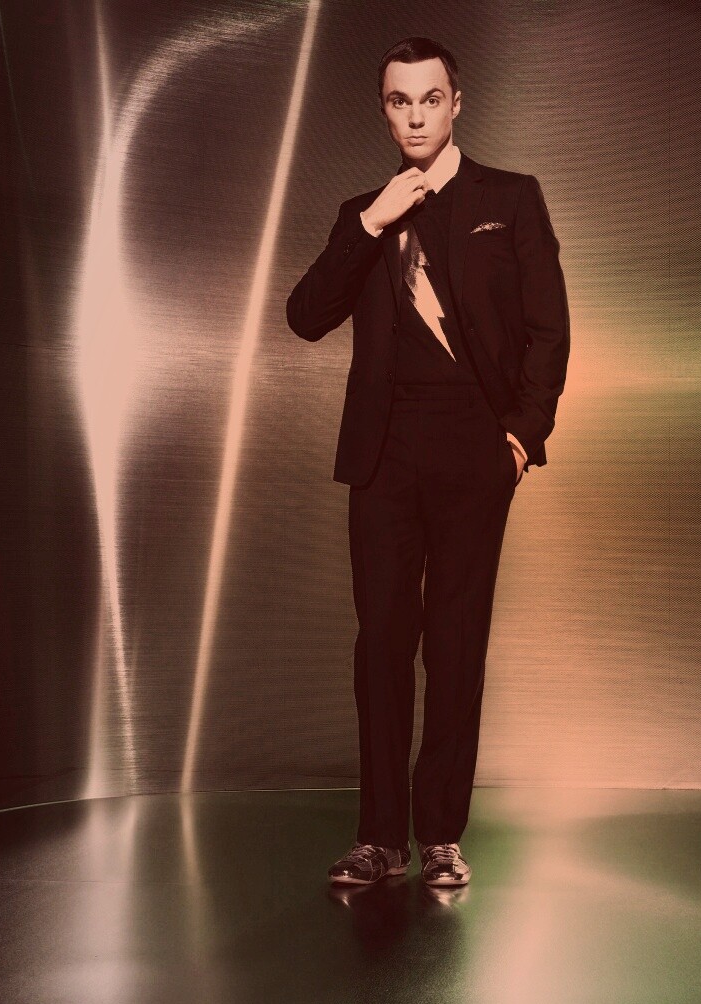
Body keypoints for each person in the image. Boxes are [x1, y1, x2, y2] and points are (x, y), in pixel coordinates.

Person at [286, 36, 569, 887]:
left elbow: (549, 328)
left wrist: (520, 436)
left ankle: (441, 832)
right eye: (399, 101)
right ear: (384, 112)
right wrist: (372, 224)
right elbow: (305, 315)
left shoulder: (509, 199)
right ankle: (380, 838)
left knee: (455, 641)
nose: (415, 116)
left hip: (475, 452)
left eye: (430, 99)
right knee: (382, 644)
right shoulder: (362, 213)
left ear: (456, 104)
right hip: (382, 456)